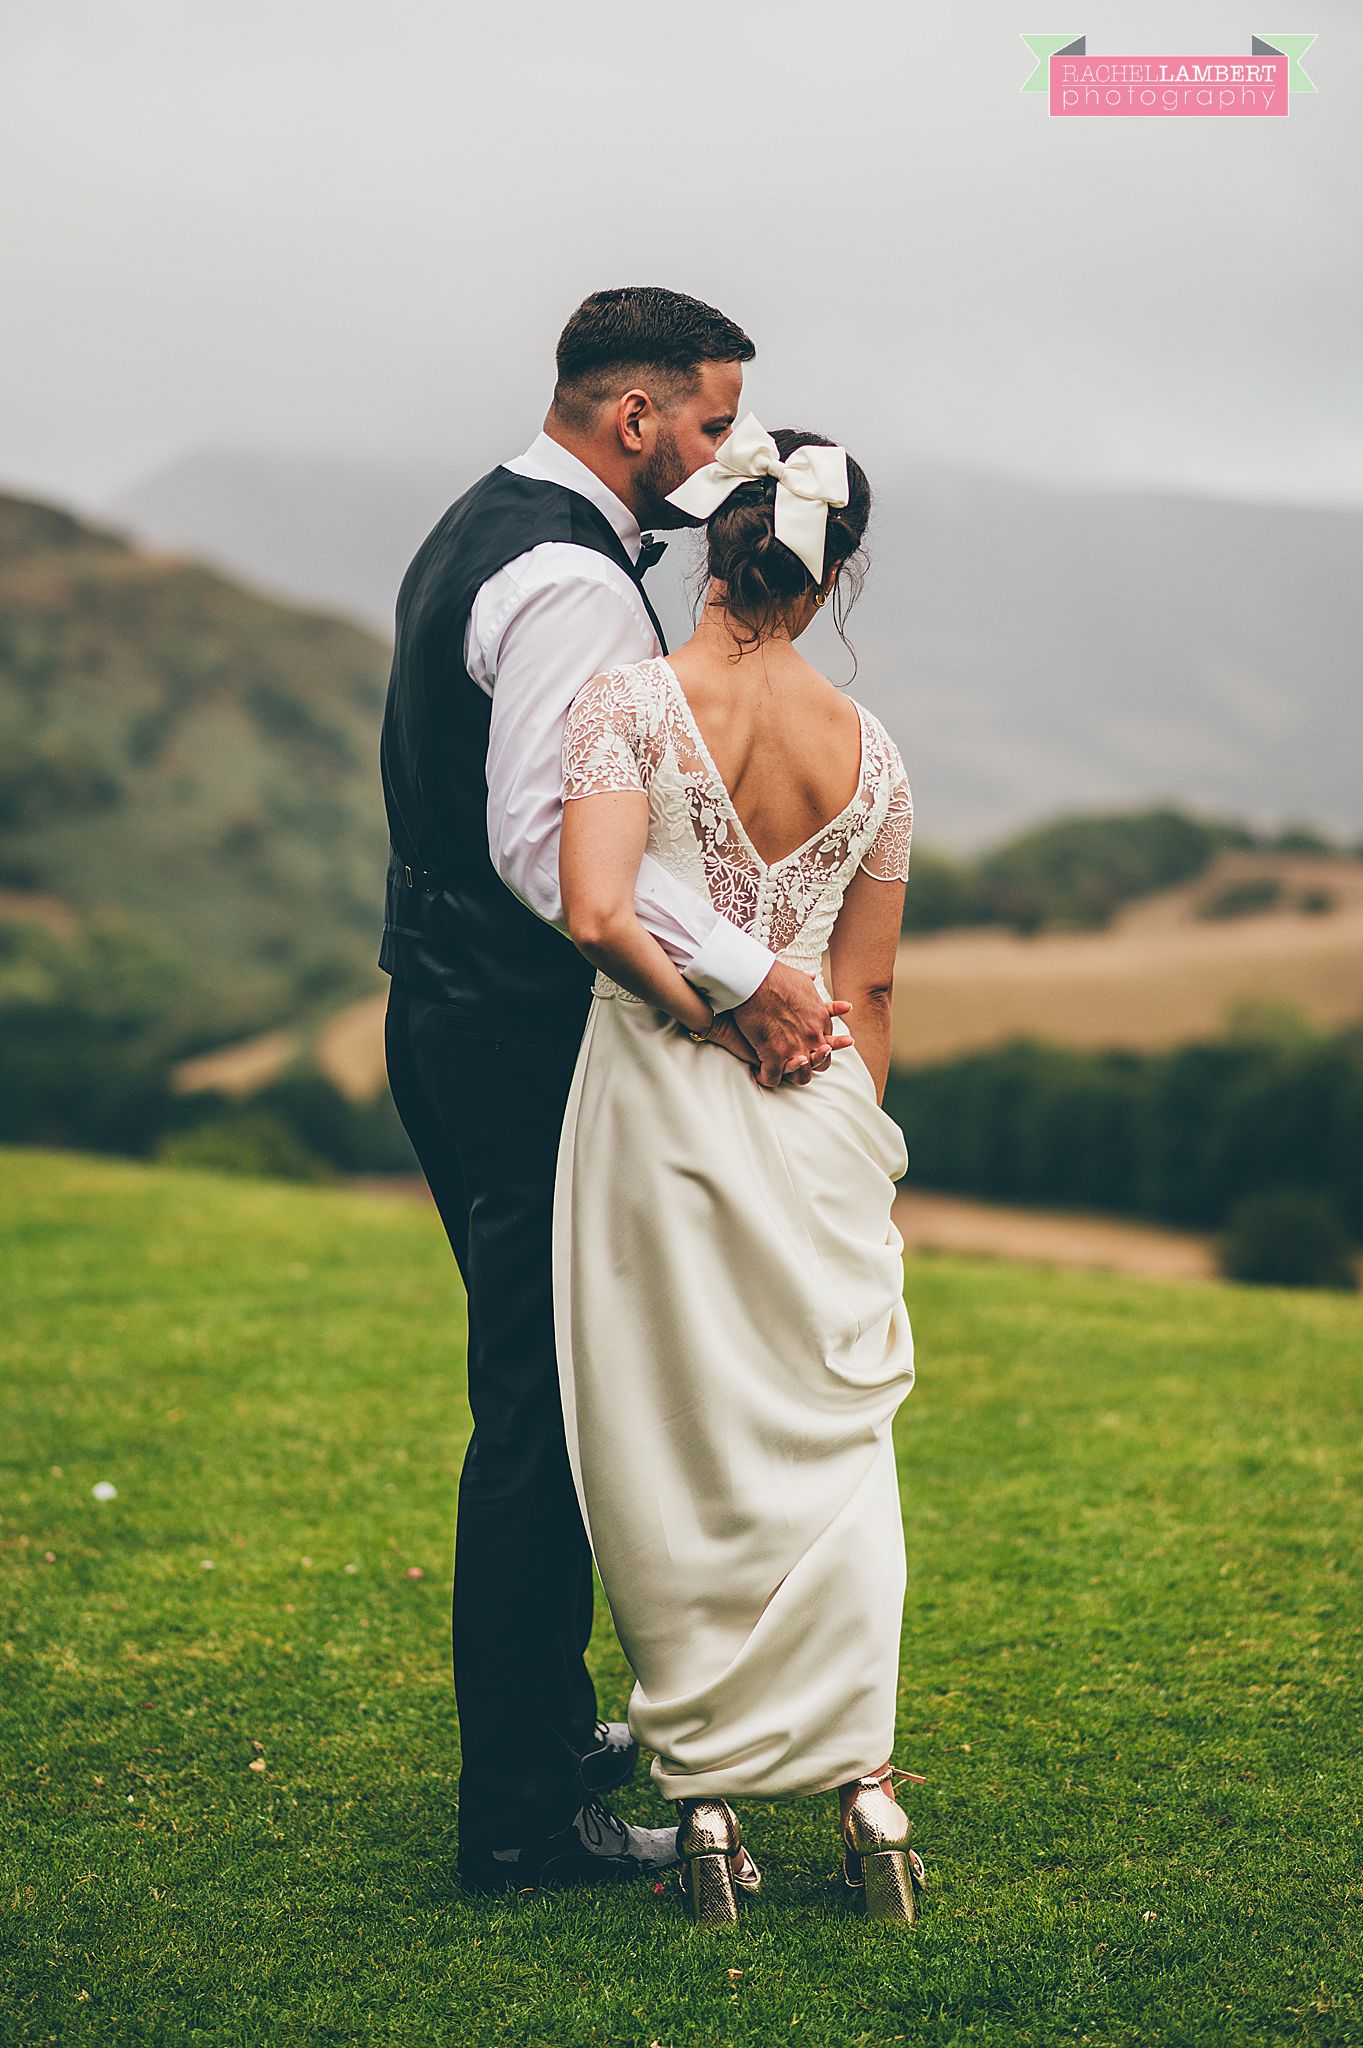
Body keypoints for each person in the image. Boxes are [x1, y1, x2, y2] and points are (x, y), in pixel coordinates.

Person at [378, 290, 853, 1894]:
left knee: (546, 1392)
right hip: (512, 1035)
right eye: (711, 423)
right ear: (633, 418)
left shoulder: (482, 524)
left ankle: (550, 1739)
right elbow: (545, 855)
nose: (721, 459)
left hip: (445, 1008)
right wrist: (744, 975)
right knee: (543, 1409)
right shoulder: (573, 580)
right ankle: (523, 1809)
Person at [554, 417, 924, 1922]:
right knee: (832, 1457)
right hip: (823, 1122)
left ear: (717, 540)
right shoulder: (877, 753)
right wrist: (834, 1134)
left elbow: (595, 913)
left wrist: (710, 1024)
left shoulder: (627, 704)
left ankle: (705, 1810)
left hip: (656, 1102)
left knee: (671, 1435)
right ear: (837, 574)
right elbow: (872, 994)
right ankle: (869, 1797)